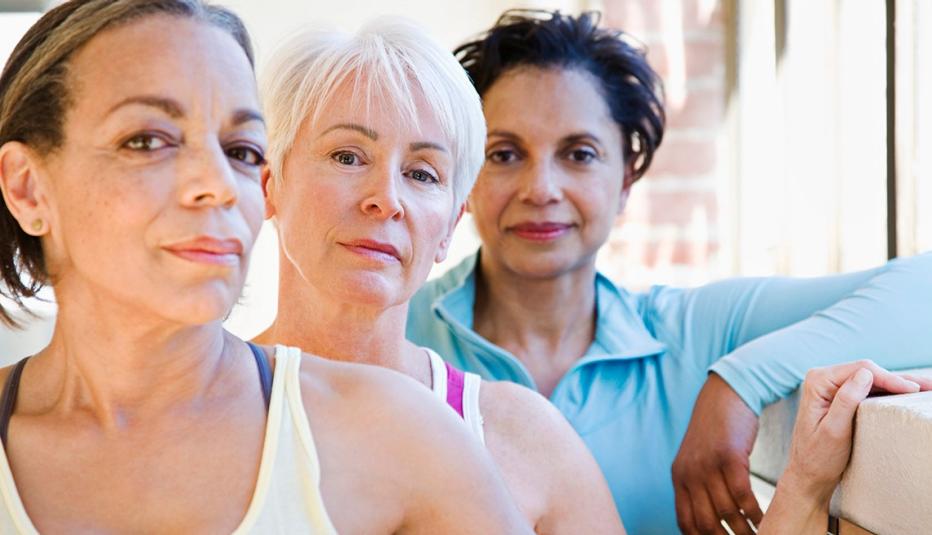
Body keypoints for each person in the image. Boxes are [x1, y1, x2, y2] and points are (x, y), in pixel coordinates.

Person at [0, 1, 531, 532]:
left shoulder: (403, 434)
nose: (219, 184)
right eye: (147, 140)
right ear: (27, 188)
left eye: (241, 150)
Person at [405, 9, 932, 534]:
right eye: (504, 154)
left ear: (627, 176)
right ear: (465, 172)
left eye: (579, 154)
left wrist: (737, 382)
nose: (540, 188)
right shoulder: (394, 331)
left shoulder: (693, 334)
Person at [254, 19, 624, 534]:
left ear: (450, 227)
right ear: (271, 186)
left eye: (422, 173)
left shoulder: (524, 437)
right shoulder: (192, 406)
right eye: (347, 156)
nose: (386, 199)